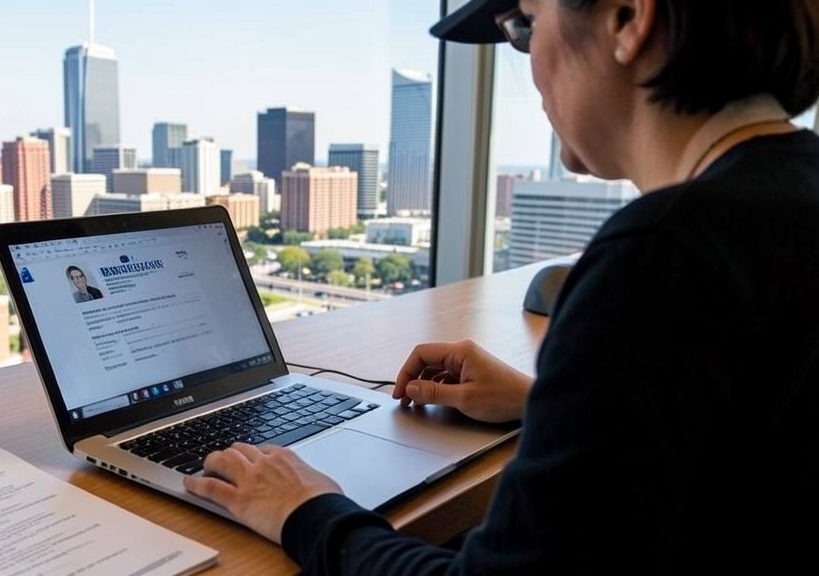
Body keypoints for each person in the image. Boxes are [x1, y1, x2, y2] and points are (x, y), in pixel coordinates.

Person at [184, 0, 819, 573]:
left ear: (629, 18)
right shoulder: (794, 193)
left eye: (526, 26)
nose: (532, 74)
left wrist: (306, 509)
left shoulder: (660, 255)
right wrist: (552, 404)